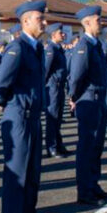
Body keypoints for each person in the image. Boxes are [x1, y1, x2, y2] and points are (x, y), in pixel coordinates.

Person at [0, 0, 55, 213]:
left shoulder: (36, 48)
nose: (45, 23)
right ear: (26, 21)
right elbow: (0, 84)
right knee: (16, 178)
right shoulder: (17, 48)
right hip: (19, 116)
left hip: (32, 117)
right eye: (40, 19)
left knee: (32, 176)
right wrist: (6, 103)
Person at [68, 6, 107, 206]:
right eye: (98, 20)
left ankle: (93, 184)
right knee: (87, 146)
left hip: (99, 99)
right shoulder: (83, 46)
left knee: (97, 146)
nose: (101, 22)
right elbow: (76, 76)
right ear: (87, 23)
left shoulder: (96, 45)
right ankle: (84, 190)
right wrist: (73, 96)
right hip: (88, 100)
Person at [44, 23, 69, 159]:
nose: (63, 35)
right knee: (52, 118)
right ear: (53, 35)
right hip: (53, 87)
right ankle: (51, 147)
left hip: (59, 87)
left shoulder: (58, 49)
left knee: (58, 118)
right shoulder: (51, 49)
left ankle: (59, 145)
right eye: (61, 33)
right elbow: (45, 71)